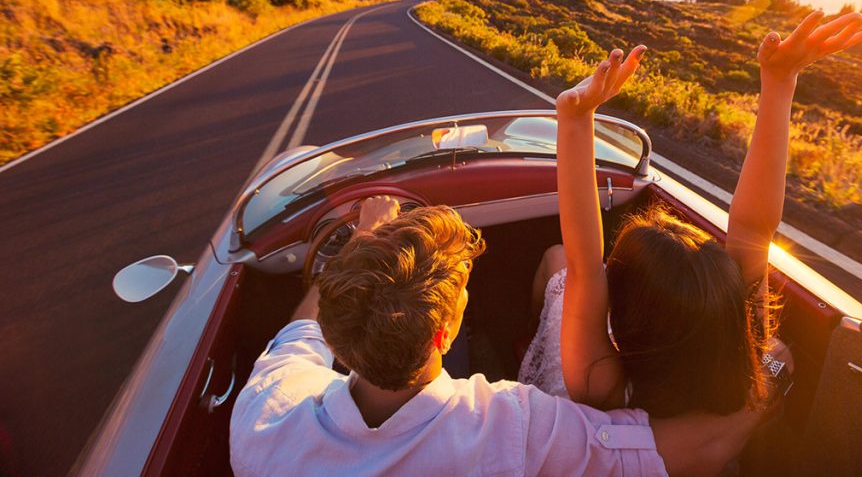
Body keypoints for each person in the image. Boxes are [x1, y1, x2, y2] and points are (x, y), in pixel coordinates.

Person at [230, 197, 782, 477]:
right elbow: (704, 445)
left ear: (335, 334)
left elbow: (299, 332)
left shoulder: (265, 417)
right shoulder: (517, 429)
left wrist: (362, 250)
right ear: (445, 333)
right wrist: (774, 366)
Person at [519, 10, 862, 417]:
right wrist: (780, 81)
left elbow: (583, 267)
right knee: (778, 354)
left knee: (555, 259)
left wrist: (577, 116)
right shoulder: (748, 362)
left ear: (615, 310)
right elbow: (753, 228)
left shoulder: (600, 383)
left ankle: (529, 336)